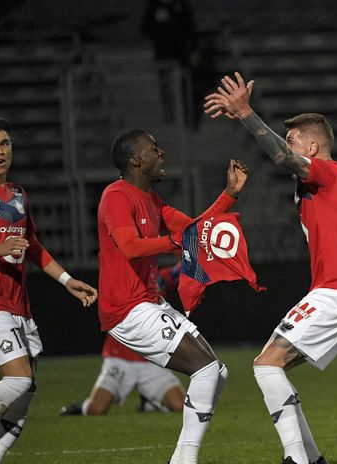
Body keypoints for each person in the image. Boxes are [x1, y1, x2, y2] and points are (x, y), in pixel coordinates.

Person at [205, 72, 337, 464]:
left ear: (313, 146)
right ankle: (311, 458)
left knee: (266, 365)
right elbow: (282, 152)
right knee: (269, 363)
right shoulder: (332, 179)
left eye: (295, 138)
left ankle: (297, 459)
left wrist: (247, 114)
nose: (288, 143)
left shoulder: (327, 173)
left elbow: (280, 156)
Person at [0, 118, 98, 464]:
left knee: (24, 393)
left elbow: (34, 247)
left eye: (6, 143)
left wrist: (67, 280)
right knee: (19, 380)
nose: (0, 151)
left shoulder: (17, 194)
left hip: (18, 307)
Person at [97, 128, 247, 464]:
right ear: (136, 160)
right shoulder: (116, 196)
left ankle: (180, 459)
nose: (161, 153)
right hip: (126, 309)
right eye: (154, 149)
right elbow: (131, 247)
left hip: (147, 303)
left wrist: (229, 195)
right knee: (206, 370)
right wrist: (176, 243)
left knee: (217, 373)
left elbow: (194, 230)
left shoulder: (152, 200)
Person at [59, 334, 186, 416]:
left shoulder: (158, 293)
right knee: (96, 409)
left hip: (150, 359)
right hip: (120, 358)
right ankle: (81, 407)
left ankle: (149, 403)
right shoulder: (122, 292)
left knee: (181, 405)